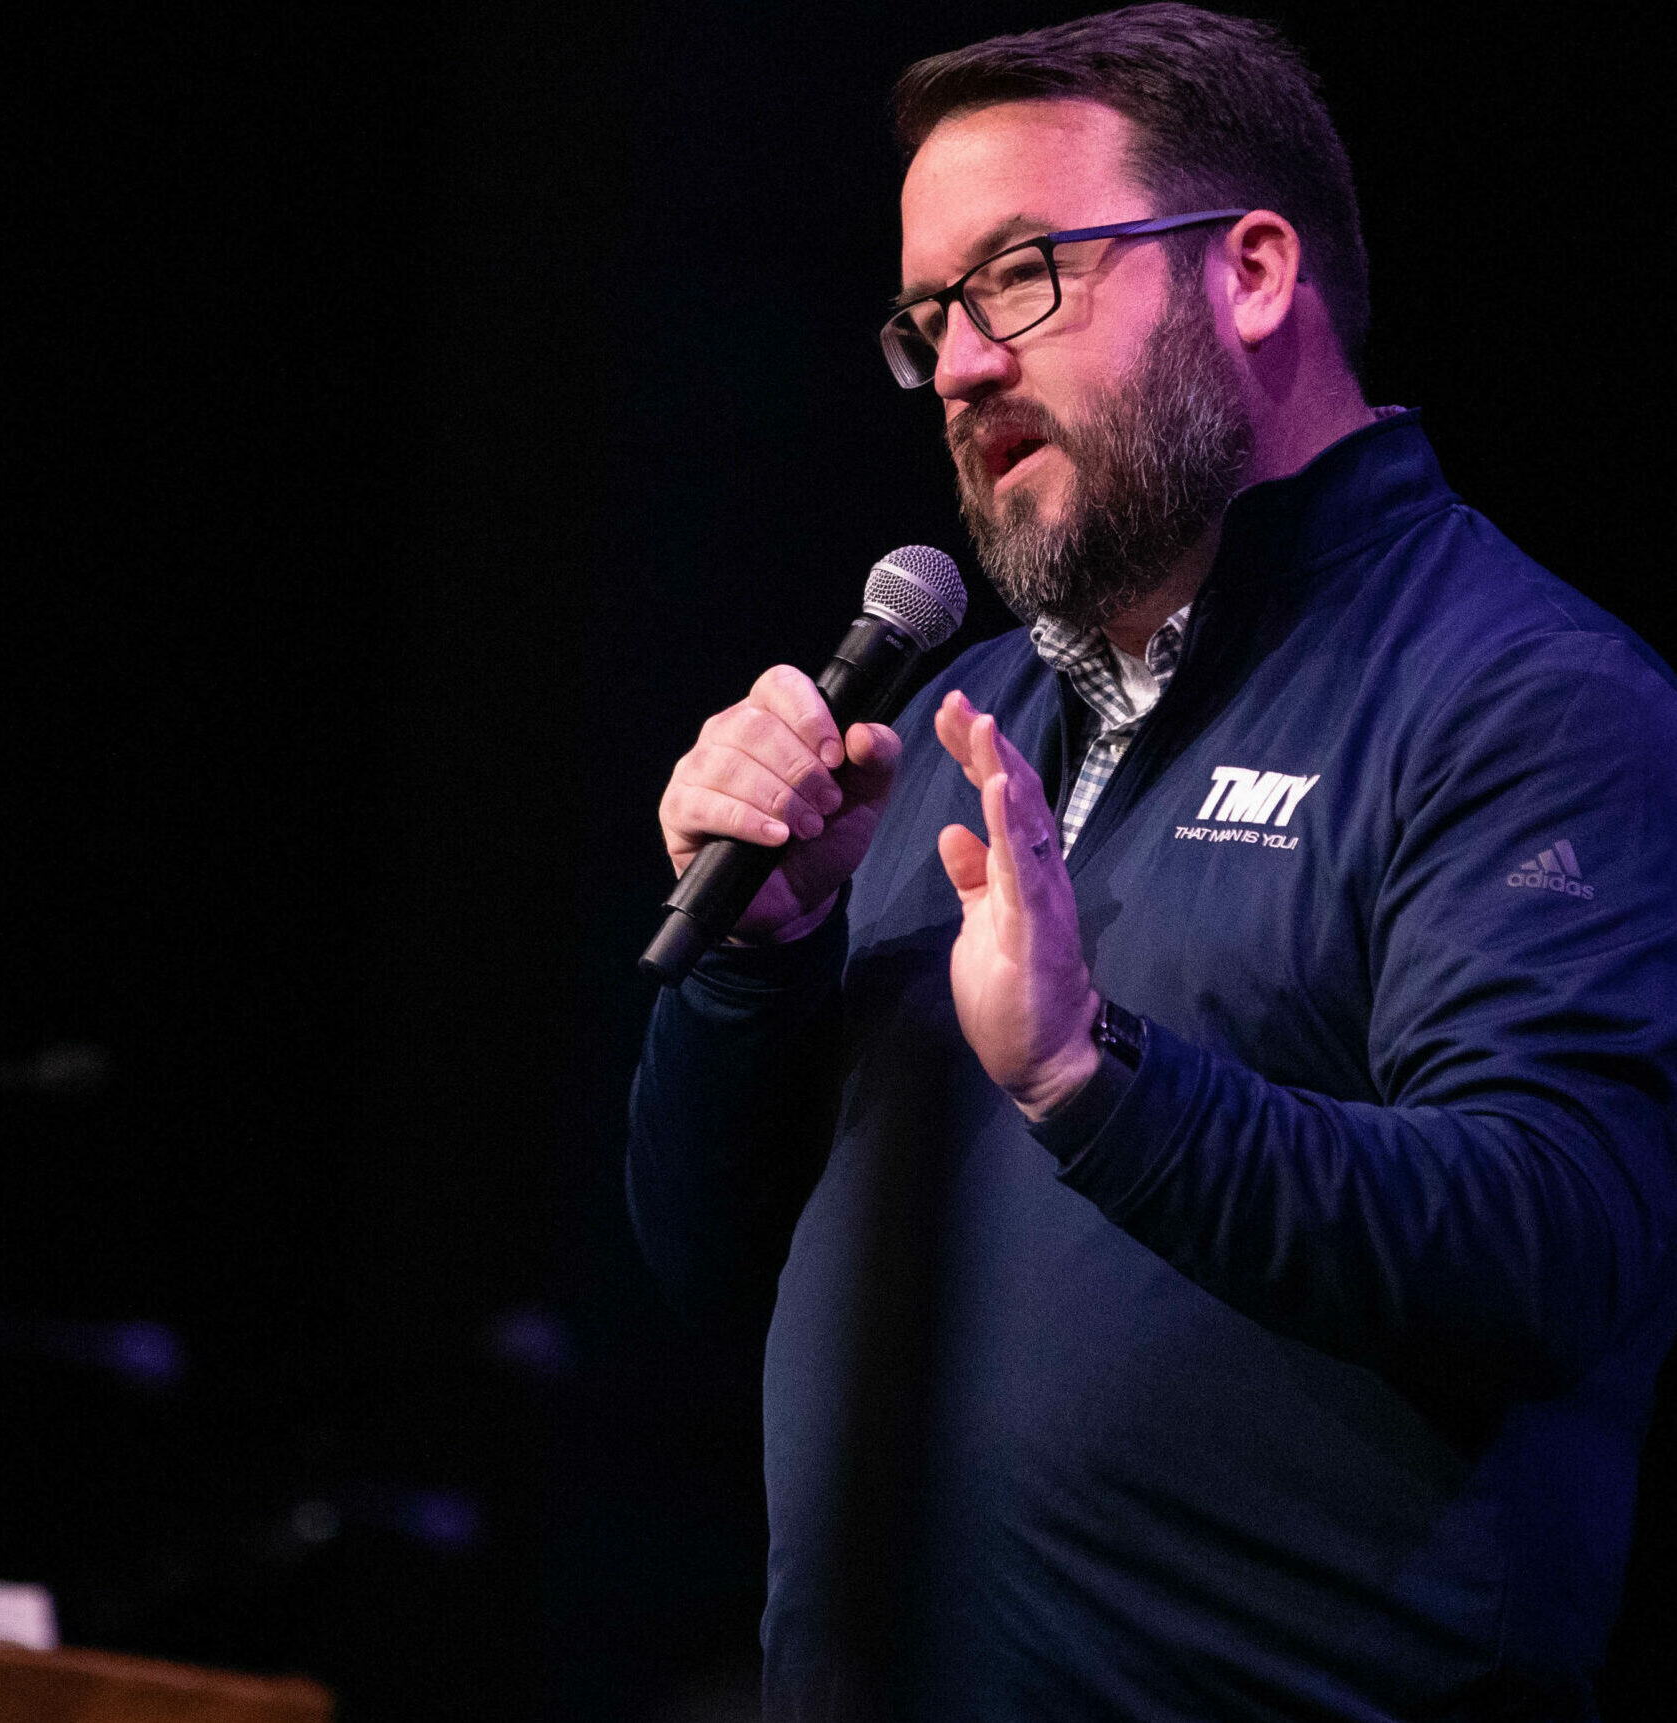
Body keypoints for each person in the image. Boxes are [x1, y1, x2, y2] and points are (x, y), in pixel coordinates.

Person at [626, 6, 1677, 1718]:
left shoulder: (1523, 701)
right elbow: (714, 1274)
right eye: (924, 317)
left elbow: (1555, 1247)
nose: (959, 365)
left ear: (1251, 271)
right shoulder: (959, 718)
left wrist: (1088, 1079)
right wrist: (760, 959)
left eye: (1020, 277)